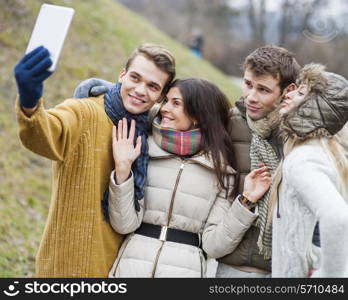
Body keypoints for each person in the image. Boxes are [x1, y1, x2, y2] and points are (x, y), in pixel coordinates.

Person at [73, 45, 306, 277]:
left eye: (263, 89)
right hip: (138, 268)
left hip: (271, 262)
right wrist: (108, 92)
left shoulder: (228, 167)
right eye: (247, 84)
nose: (251, 97)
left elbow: (213, 244)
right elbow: (139, 105)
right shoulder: (147, 151)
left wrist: (246, 201)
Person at [13, 43, 176, 277]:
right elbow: (44, 134)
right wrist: (30, 102)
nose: (141, 90)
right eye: (135, 78)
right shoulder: (84, 112)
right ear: (122, 75)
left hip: (118, 269)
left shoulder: (150, 135)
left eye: (152, 86)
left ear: (161, 96)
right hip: (66, 267)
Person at [106, 78, 271, 277]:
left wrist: (246, 202)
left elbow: (214, 246)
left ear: (198, 115)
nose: (164, 108)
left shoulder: (221, 171)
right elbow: (124, 224)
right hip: (130, 269)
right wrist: (123, 169)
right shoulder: (143, 151)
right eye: (165, 101)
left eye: (176, 103)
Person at [269, 63, 348, 277]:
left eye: (301, 92)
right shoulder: (326, 152)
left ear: (316, 106)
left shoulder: (304, 159)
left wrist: (329, 277)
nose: (289, 93)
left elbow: (337, 217)